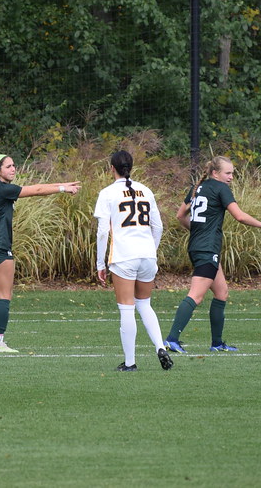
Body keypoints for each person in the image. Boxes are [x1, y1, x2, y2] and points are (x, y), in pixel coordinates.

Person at [0, 154, 79, 354]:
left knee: (2, 294)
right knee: (5, 296)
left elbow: (39, 187)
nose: (13, 169)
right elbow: (37, 190)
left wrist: (64, 184)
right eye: (8, 167)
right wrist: (62, 188)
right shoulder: (4, 189)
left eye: (14, 165)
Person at [165, 155, 261, 354]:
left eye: (232, 173)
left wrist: (198, 230)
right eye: (228, 173)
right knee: (196, 296)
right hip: (207, 249)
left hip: (199, 246)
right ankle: (171, 339)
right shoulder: (221, 188)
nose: (231, 177)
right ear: (216, 173)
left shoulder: (198, 187)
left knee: (221, 293)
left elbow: (180, 215)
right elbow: (239, 216)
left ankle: (217, 344)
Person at [93, 150, 172, 372]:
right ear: (132, 167)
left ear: (112, 168)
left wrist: (100, 264)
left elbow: (102, 232)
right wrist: (151, 251)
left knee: (127, 309)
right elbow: (158, 227)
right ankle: (160, 347)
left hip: (123, 256)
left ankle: (130, 363)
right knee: (144, 304)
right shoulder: (146, 190)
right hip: (147, 255)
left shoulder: (107, 193)